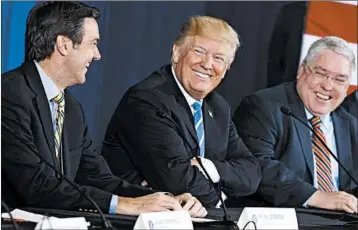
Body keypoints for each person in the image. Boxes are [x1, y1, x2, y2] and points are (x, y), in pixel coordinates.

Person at [1, 1, 207, 217]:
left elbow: (99, 179)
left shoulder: (71, 108)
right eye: (93, 43)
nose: (97, 55)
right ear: (64, 44)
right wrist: (124, 205)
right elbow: (36, 183)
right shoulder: (8, 95)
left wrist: (165, 200)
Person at [102, 15, 261, 208]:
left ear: (227, 68)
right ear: (176, 53)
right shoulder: (147, 99)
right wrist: (222, 197)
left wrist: (210, 168)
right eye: (199, 51)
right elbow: (177, 180)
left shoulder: (218, 107)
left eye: (218, 58)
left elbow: (251, 174)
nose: (207, 64)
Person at [233, 36, 358, 213]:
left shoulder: (350, 125)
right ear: (302, 71)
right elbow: (255, 166)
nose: (328, 86)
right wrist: (316, 196)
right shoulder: (264, 106)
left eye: (340, 79)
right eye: (321, 73)